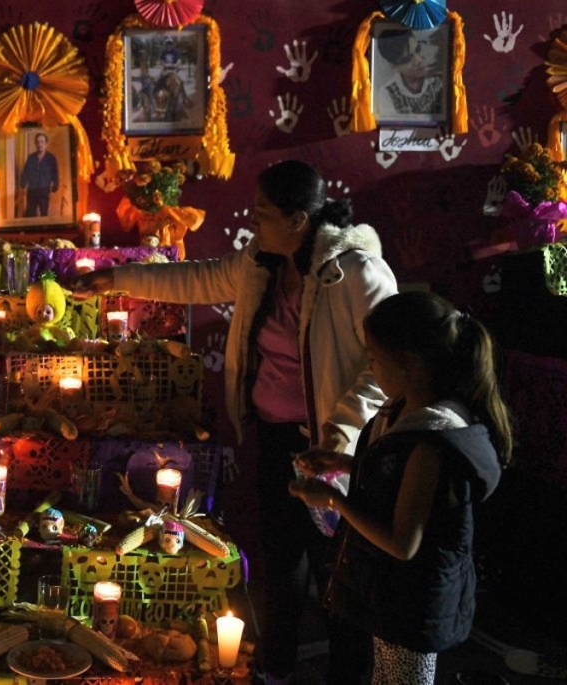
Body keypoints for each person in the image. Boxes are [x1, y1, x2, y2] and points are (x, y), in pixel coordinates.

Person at [72, 159, 399, 684]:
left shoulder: (355, 271)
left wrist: (343, 427)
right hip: (275, 439)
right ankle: (277, 668)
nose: (254, 222)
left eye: (264, 213)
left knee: (338, 572)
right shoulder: (262, 262)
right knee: (281, 561)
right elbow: (199, 279)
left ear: (298, 219)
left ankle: (347, 676)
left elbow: (390, 362)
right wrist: (117, 279)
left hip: (335, 450)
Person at [289, 291, 512, 684]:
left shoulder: (431, 442)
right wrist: (343, 463)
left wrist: (333, 500)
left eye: (374, 358)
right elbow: (394, 478)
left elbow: (403, 543)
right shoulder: (401, 410)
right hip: (389, 591)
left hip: (413, 601)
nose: (369, 367)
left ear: (409, 364)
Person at [376, 28, 444, 117]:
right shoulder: (387, 93)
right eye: (408, 59)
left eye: (418, 49)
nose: (418, 60)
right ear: (395, 67)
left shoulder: (439, 79)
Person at [20, 132, 59, 217]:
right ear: (35, 144)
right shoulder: (31, 158)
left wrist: (53, 190)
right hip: (32, 191)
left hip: (44, 192)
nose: (39, 144)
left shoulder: (51, 158)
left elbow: (55, 175)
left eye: (42, 142)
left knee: (44, 214)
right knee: (30, 215)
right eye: (38, 142)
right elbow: (25, 173)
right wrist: (24, 186)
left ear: (46, 144)